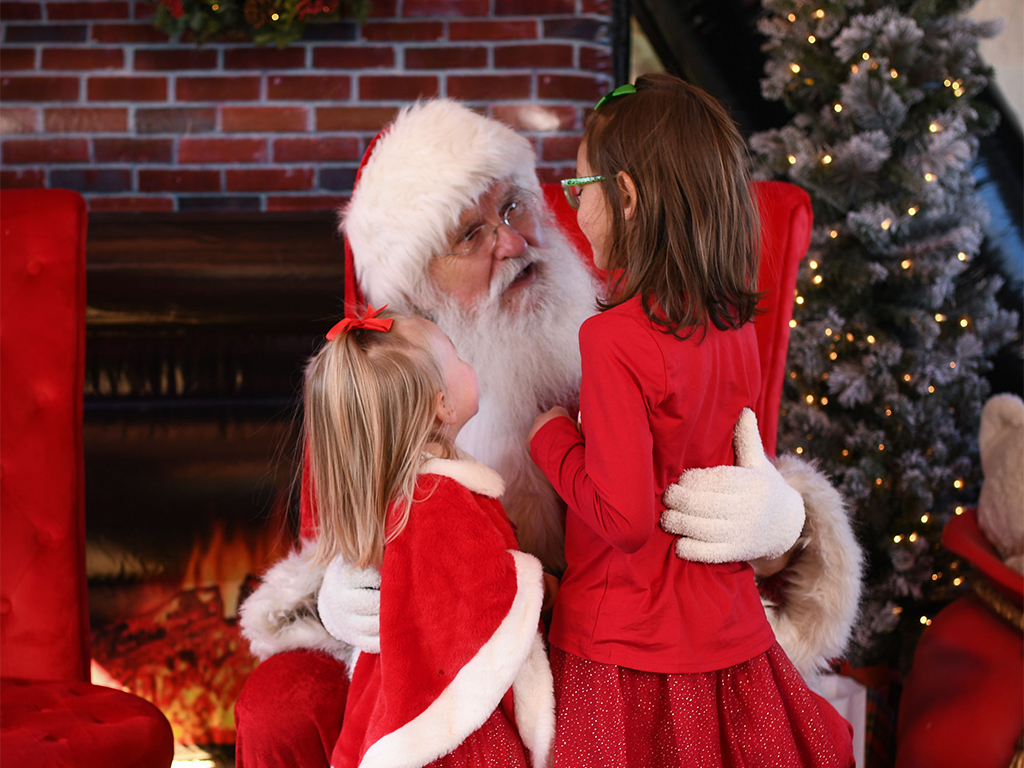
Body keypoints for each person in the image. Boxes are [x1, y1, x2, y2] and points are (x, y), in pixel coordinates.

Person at [236, 96, 863, 768]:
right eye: (469, 235)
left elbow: (720, 470)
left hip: (613, 650)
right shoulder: (386, 391)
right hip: (483, 665)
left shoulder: (627, 325)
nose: (512, 242)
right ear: (420, 286)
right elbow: (343, 530)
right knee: (280, 702)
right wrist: (337, 595)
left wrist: (788, 524)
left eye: (512, 207)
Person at [527, 74, 855, 766]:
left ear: (629, 198)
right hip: (729, 638)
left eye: (579, 189)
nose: (573, 210)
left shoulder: (610, 340)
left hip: (623, 649)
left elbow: (625, 518)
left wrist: (552, 440)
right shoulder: (734, 323)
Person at [306, 308, 554, 768]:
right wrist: (542, 583)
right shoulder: (437, 497)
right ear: (443, 404)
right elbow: (480, 602)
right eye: (456, 354)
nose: (467, 360)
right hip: (452, 727)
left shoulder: (417, 490)